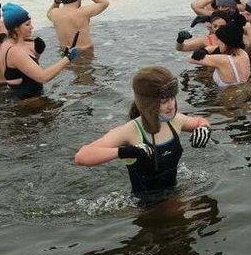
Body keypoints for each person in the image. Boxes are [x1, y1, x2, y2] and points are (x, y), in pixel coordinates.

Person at [74, 65, 211, 202]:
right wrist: (126, 151)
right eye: (164, 101)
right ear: (148, 104)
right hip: (145, 205)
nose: (171, 106)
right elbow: (81, 156)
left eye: (172, 98)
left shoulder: (176, 121)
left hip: (173, 193)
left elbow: (199, 121)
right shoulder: (130, 131)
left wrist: (204, 128)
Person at [0, 2, 78, 100]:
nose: (32, 27)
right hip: (28, 102)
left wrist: (37, 52)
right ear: (16, 28)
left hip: (23, 97)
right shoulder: (15, 51)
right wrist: (68, 58)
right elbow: (43, 77)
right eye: (27, 24)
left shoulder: (7, 43)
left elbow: (24, 69)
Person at [46, 0, 110, 53]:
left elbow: (49, 13)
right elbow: (104, 3)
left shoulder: (54, 13)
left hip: (65, 53)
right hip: (85, 52)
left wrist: (57, 1)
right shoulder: (83, 12)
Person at [182, 22, 250, 86]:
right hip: (242, 90)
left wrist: (206, 49)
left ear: (225, 42)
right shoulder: (243, 53)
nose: (216, 43)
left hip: (226, 93)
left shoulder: (222, 60)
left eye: (218, 40)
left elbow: (190, 58)